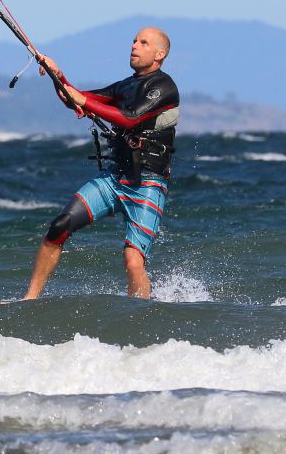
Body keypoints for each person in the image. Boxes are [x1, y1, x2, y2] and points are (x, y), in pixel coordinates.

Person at [22, 27, 179, 299]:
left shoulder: (164, 87)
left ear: (159, 54)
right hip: (113, 179)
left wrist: (83, 100)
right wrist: (56, 75)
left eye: (143, 43)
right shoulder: (126, 86)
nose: (134, 46)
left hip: (147, 184)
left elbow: (129, 118)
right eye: (133, 40)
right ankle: (29, 299)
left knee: (133, 260)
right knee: (59, 226)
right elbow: (75, 97)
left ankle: (138, 315)